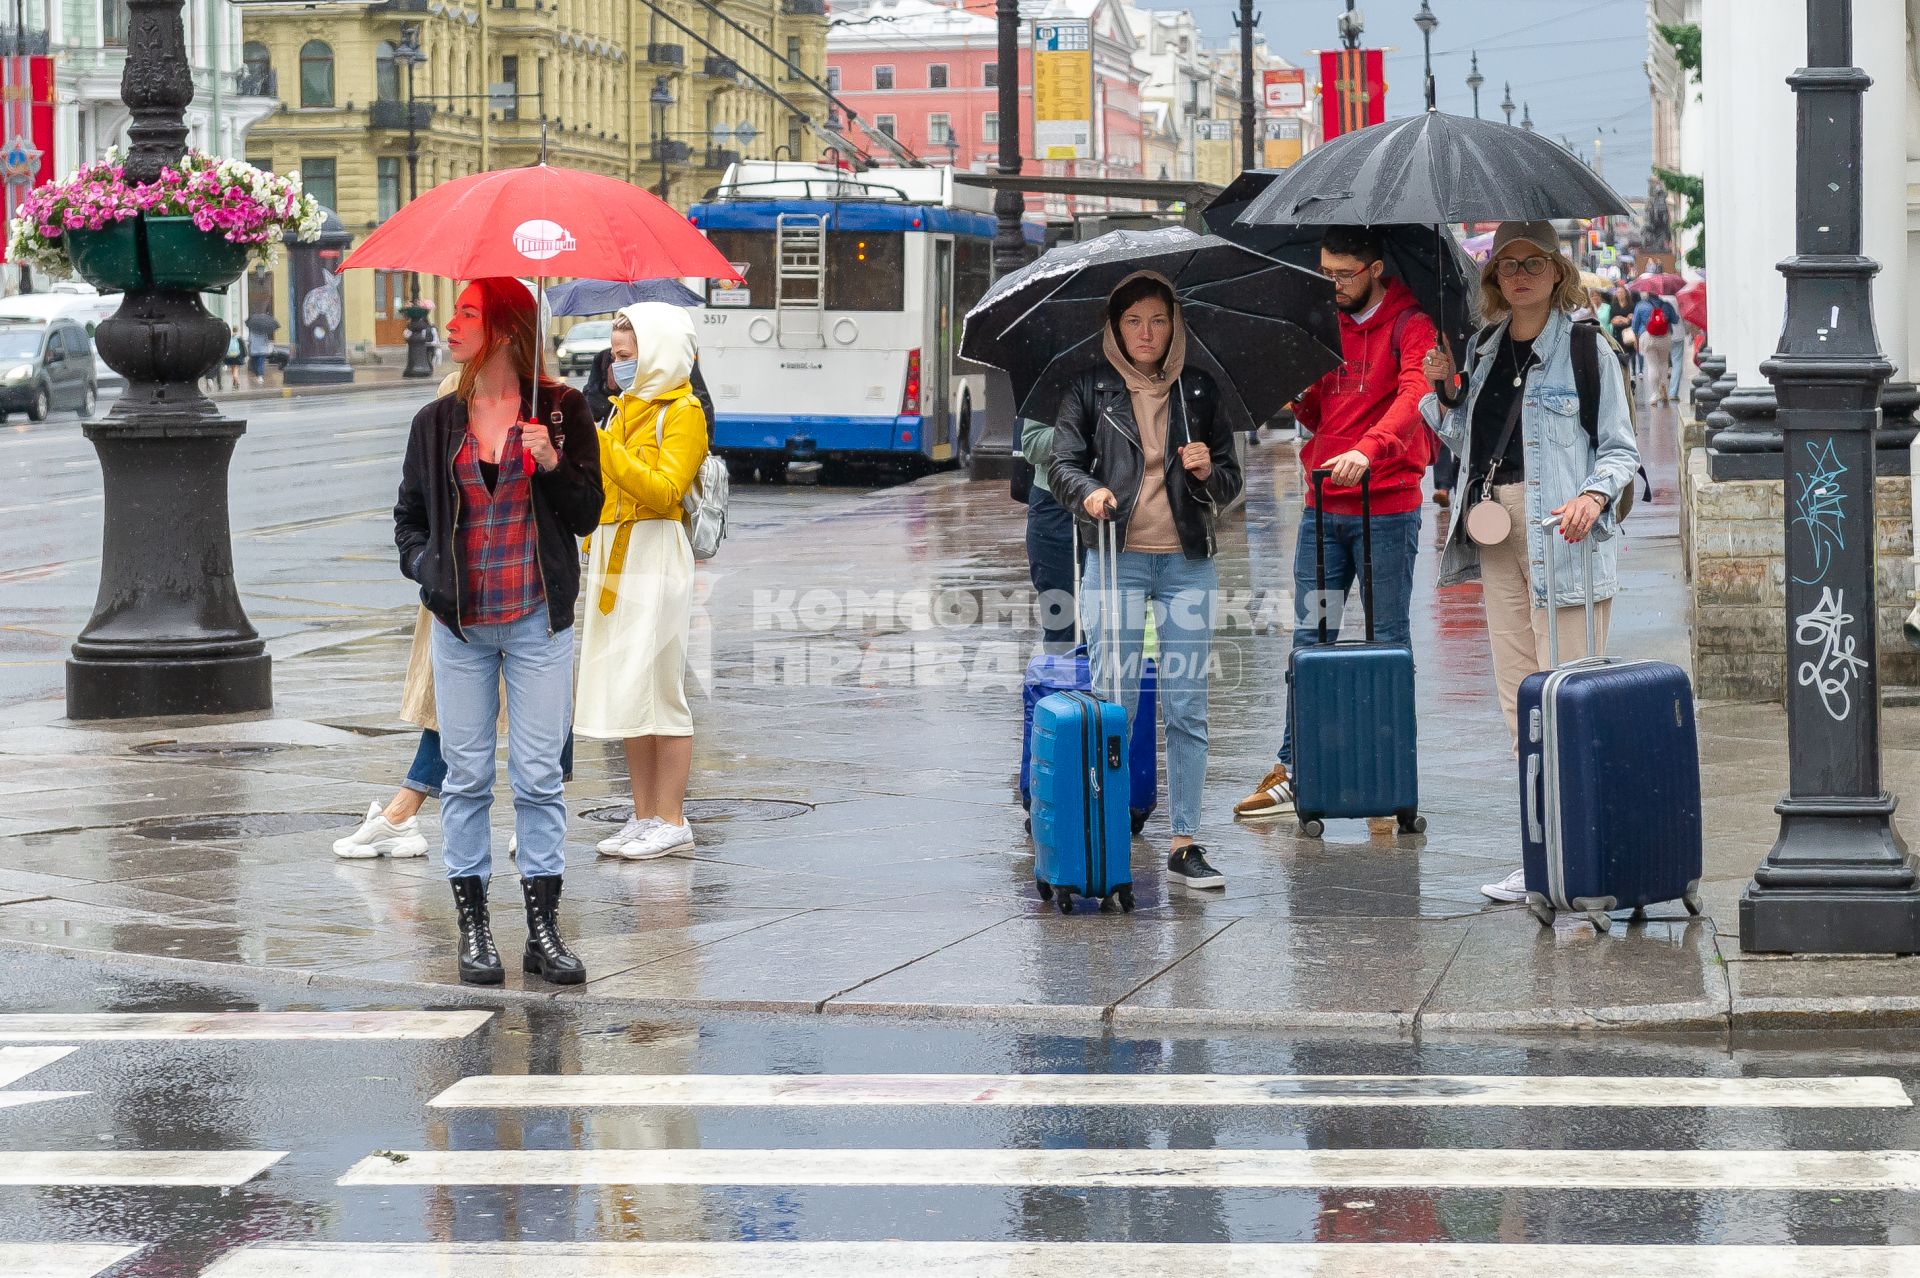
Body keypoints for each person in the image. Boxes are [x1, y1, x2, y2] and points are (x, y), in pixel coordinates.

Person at [1418, 221, 1641, 903]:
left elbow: (1620, 448)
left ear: (1555, 270)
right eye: (1507, 264)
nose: (1519, 274)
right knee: (1522, 707)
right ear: (1493, 278)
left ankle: (1587, 858)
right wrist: (1447, 392)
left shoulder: (1584, 346)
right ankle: (1540, 859)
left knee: (1568, 702)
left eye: (1533, 262)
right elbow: (1469, 441)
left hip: (1562, 540)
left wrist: (1593, 497)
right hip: (1497, 538)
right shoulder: (1484, 348)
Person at [394, 277, 602, 986]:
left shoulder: (566, 410)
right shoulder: (436, 421)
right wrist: (428, 569)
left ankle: (542, 931)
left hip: (537, 623)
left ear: (507, 331)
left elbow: (586, 515)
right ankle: (474, 929)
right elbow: (409, 519)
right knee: (468, 777)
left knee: (540, 778)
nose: (449, 323)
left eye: (468, 313)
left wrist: (552, 464)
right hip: (462, 627)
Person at [1233, 226, 1437, 827]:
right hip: (1324, 509)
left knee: (1388, 643)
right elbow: (1323, 409)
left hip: (1388, 508)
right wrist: (1300, 398)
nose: (1332, 284)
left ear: (1374, 268)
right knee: (1309, 640)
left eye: (1342, 274)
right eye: (1325, 272)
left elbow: (1415, 393)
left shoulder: (1411, 324)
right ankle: (1297, 769)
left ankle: (1387, 775)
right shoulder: (1326, 320)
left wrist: (1369, 450)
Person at [1049, 272, 1243, 889]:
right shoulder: (1088, 389)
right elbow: (1061, 462)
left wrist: (1210, 472)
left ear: (1175, 325)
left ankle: (1185, 840)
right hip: (1115, 559)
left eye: (1158, 320)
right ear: (1114, 326)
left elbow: (1233, 484)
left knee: (1187, 706)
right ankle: (1105, 832)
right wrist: (1090, 492)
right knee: (1117, 704)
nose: (1146, 333)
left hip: (1188, 563)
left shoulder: (1200, 392)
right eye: (1133, 320)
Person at [575, 302, 707, 859]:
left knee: (662, 689)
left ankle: (672, 818)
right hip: (614, 558)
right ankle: (644, 813)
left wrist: (604, 449)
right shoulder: (618, 410)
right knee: (631, 689)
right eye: (615, 353)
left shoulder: (683, 413)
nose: (618, 361)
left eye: (629, 352)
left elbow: (664, 491)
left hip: (655, 554)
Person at [1020, 415, 1077, 647]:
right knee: (1061, 618)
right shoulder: (1056, 383)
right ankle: (1063, 680)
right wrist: (1081, 430)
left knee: (1115, 622)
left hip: (1117, 502)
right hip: (1055, 505)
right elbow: (1032, 445)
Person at [1640, 294, 1676, 406]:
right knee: (1664, 363)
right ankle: (1664, 386)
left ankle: (1654, 394)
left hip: (1648, 338)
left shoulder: (1641, 306)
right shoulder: (1666, 305)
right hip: (1664, 338)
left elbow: (1635, 324)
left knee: (1652, 366)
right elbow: (1675, 320)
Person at [245, 311, 277, 386]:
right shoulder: (264, 333)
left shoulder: (252, 332)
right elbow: (266, 340)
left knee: (256, 363)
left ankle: (259, 375)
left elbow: (249, 340)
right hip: (262, 350)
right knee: (260, 363)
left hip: (254, 350)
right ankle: (259, 376)